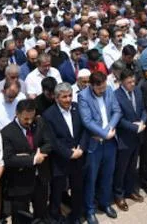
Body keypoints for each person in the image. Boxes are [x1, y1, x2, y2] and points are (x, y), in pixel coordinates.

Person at [78, 71, 121, 224]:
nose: (103, 91)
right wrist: (104, 134)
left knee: (108, 175)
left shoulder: (109, 89)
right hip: (94, 144)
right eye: (99, 89)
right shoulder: (83, 96)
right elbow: (87, 121)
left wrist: (109, 129)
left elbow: (117, 111)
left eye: (104, 87)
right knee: (91, 178)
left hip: (109, 141)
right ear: (91, 85)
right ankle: (89, 210)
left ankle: (105, 203)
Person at [0, 99, 51, 224]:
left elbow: (49, 143)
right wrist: (33, 159)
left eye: (31, 118)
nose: (29, 122)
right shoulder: (6, 132)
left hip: (40, 179)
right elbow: (9, 159)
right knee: (21, 217)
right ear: (17, 114)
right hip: (20, 184)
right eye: (25, 119)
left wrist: (26, 157)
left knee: (41, 214)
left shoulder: (39, 123)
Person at [43, 83, 87, 224]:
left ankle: (76, 214)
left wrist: (81, 148)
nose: (68, 99)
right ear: (56, 98)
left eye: (69, 96)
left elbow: (85, 130)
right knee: (57, 190)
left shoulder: (77, 107)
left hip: (78, 156)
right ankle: (55, 216)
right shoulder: (49, 115)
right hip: (60, 160)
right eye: (64, 97)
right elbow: (52, 140)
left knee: (77, 187)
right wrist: (69, 153)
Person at [112, 69, 146, 207]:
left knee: (132, 166)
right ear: (121, 82)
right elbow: (118, 119)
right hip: (124, 139)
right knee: (121, 168)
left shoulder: (137, 91)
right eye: (129, 82)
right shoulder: (116, 96)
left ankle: (130, 190)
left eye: (133, 81)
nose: (132, 84)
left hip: (137, 136)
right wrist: (135, 127)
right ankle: (118, 194)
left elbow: (143, 109)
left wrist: (143, 121)